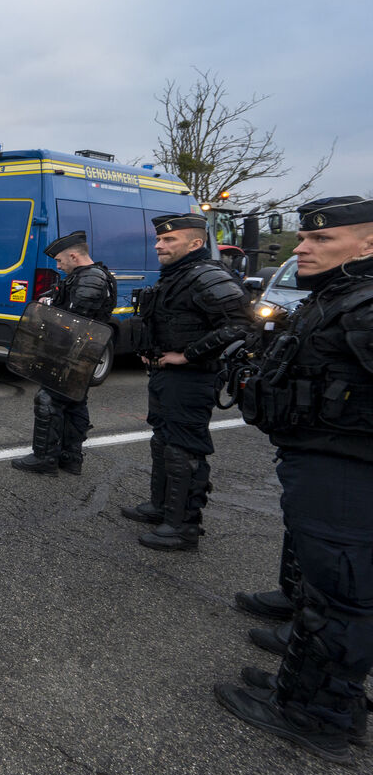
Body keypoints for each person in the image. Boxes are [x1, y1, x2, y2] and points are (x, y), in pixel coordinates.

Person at [215, 196, 373, 763]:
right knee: (325, 588)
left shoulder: (365, 306)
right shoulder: (339, 295)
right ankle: (307, 691)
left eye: (321, 240)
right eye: (304, 237)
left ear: (369, 244)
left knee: (341, 596)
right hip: (323, 457)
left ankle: (316, 717)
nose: (302, 248)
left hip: (348, 470)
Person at [120, 213, 251, 550]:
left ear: (195, 243)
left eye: (168, 240)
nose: (158, 245)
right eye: (159, 239)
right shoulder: (177, 275)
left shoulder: (207, 275)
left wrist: (188, 355)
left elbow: (239, 326)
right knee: (163, 441)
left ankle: (182, 527)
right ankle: (161, 508)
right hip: (166, 376)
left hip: (191, 379)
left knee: (184, 448)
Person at [11, 231, 118, 476]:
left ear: (74, 256)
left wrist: (50, 312)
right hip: (79, 351)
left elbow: (76, 319)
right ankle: (70, 458)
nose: (58, 266)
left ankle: (45, 458)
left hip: (74, 352)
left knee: (48, 400)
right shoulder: (84, 276)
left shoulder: (91, 279)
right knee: (74, 402)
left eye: (60, 261)